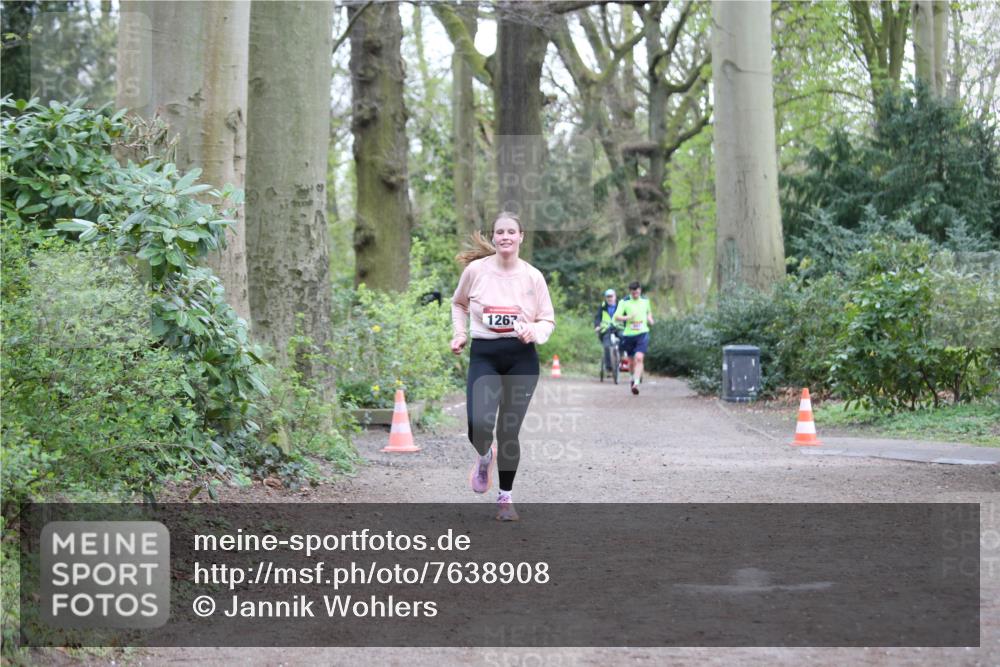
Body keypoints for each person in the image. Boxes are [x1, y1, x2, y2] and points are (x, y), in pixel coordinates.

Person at [450, 212, 556, 521]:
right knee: (477, 424)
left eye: (512, 231)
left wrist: (533, 331)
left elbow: (547, 319)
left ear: (521, 236)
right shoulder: (476, 271)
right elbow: (459, 304)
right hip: (484, 355)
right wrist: (459, 334)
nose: (505, 236)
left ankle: (505, 499)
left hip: (521, 358)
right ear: (494, 238)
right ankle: (485, 457)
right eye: (500, 232)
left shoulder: (533, 276)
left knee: (508, 431)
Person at [613, 280, 654, 395]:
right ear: (630, 292)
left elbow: (648, 312)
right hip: (629, 335)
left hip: (642, 333)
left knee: (639, 358)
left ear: (640, 290)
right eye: (633, 293)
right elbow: (616, 317)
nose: (635, 294)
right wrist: (628, 317)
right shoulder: (624, 302)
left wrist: (650, 318)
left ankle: (636, 382)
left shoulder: (645, 301)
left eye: (637, 292)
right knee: (631, 362)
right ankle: (632, 377)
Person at [593, 288, 624, 373]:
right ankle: (609, 368)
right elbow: (598, 317)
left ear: (615, 296)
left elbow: (626, 316)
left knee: (623, 339)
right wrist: (597, 326)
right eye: (608, 297)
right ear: (606, 298)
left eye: (611, 296)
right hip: (606, 329)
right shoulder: (603, 306)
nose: (610, 298)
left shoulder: (621, 305)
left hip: (619, 328)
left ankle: (620, 358)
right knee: (606, 346)